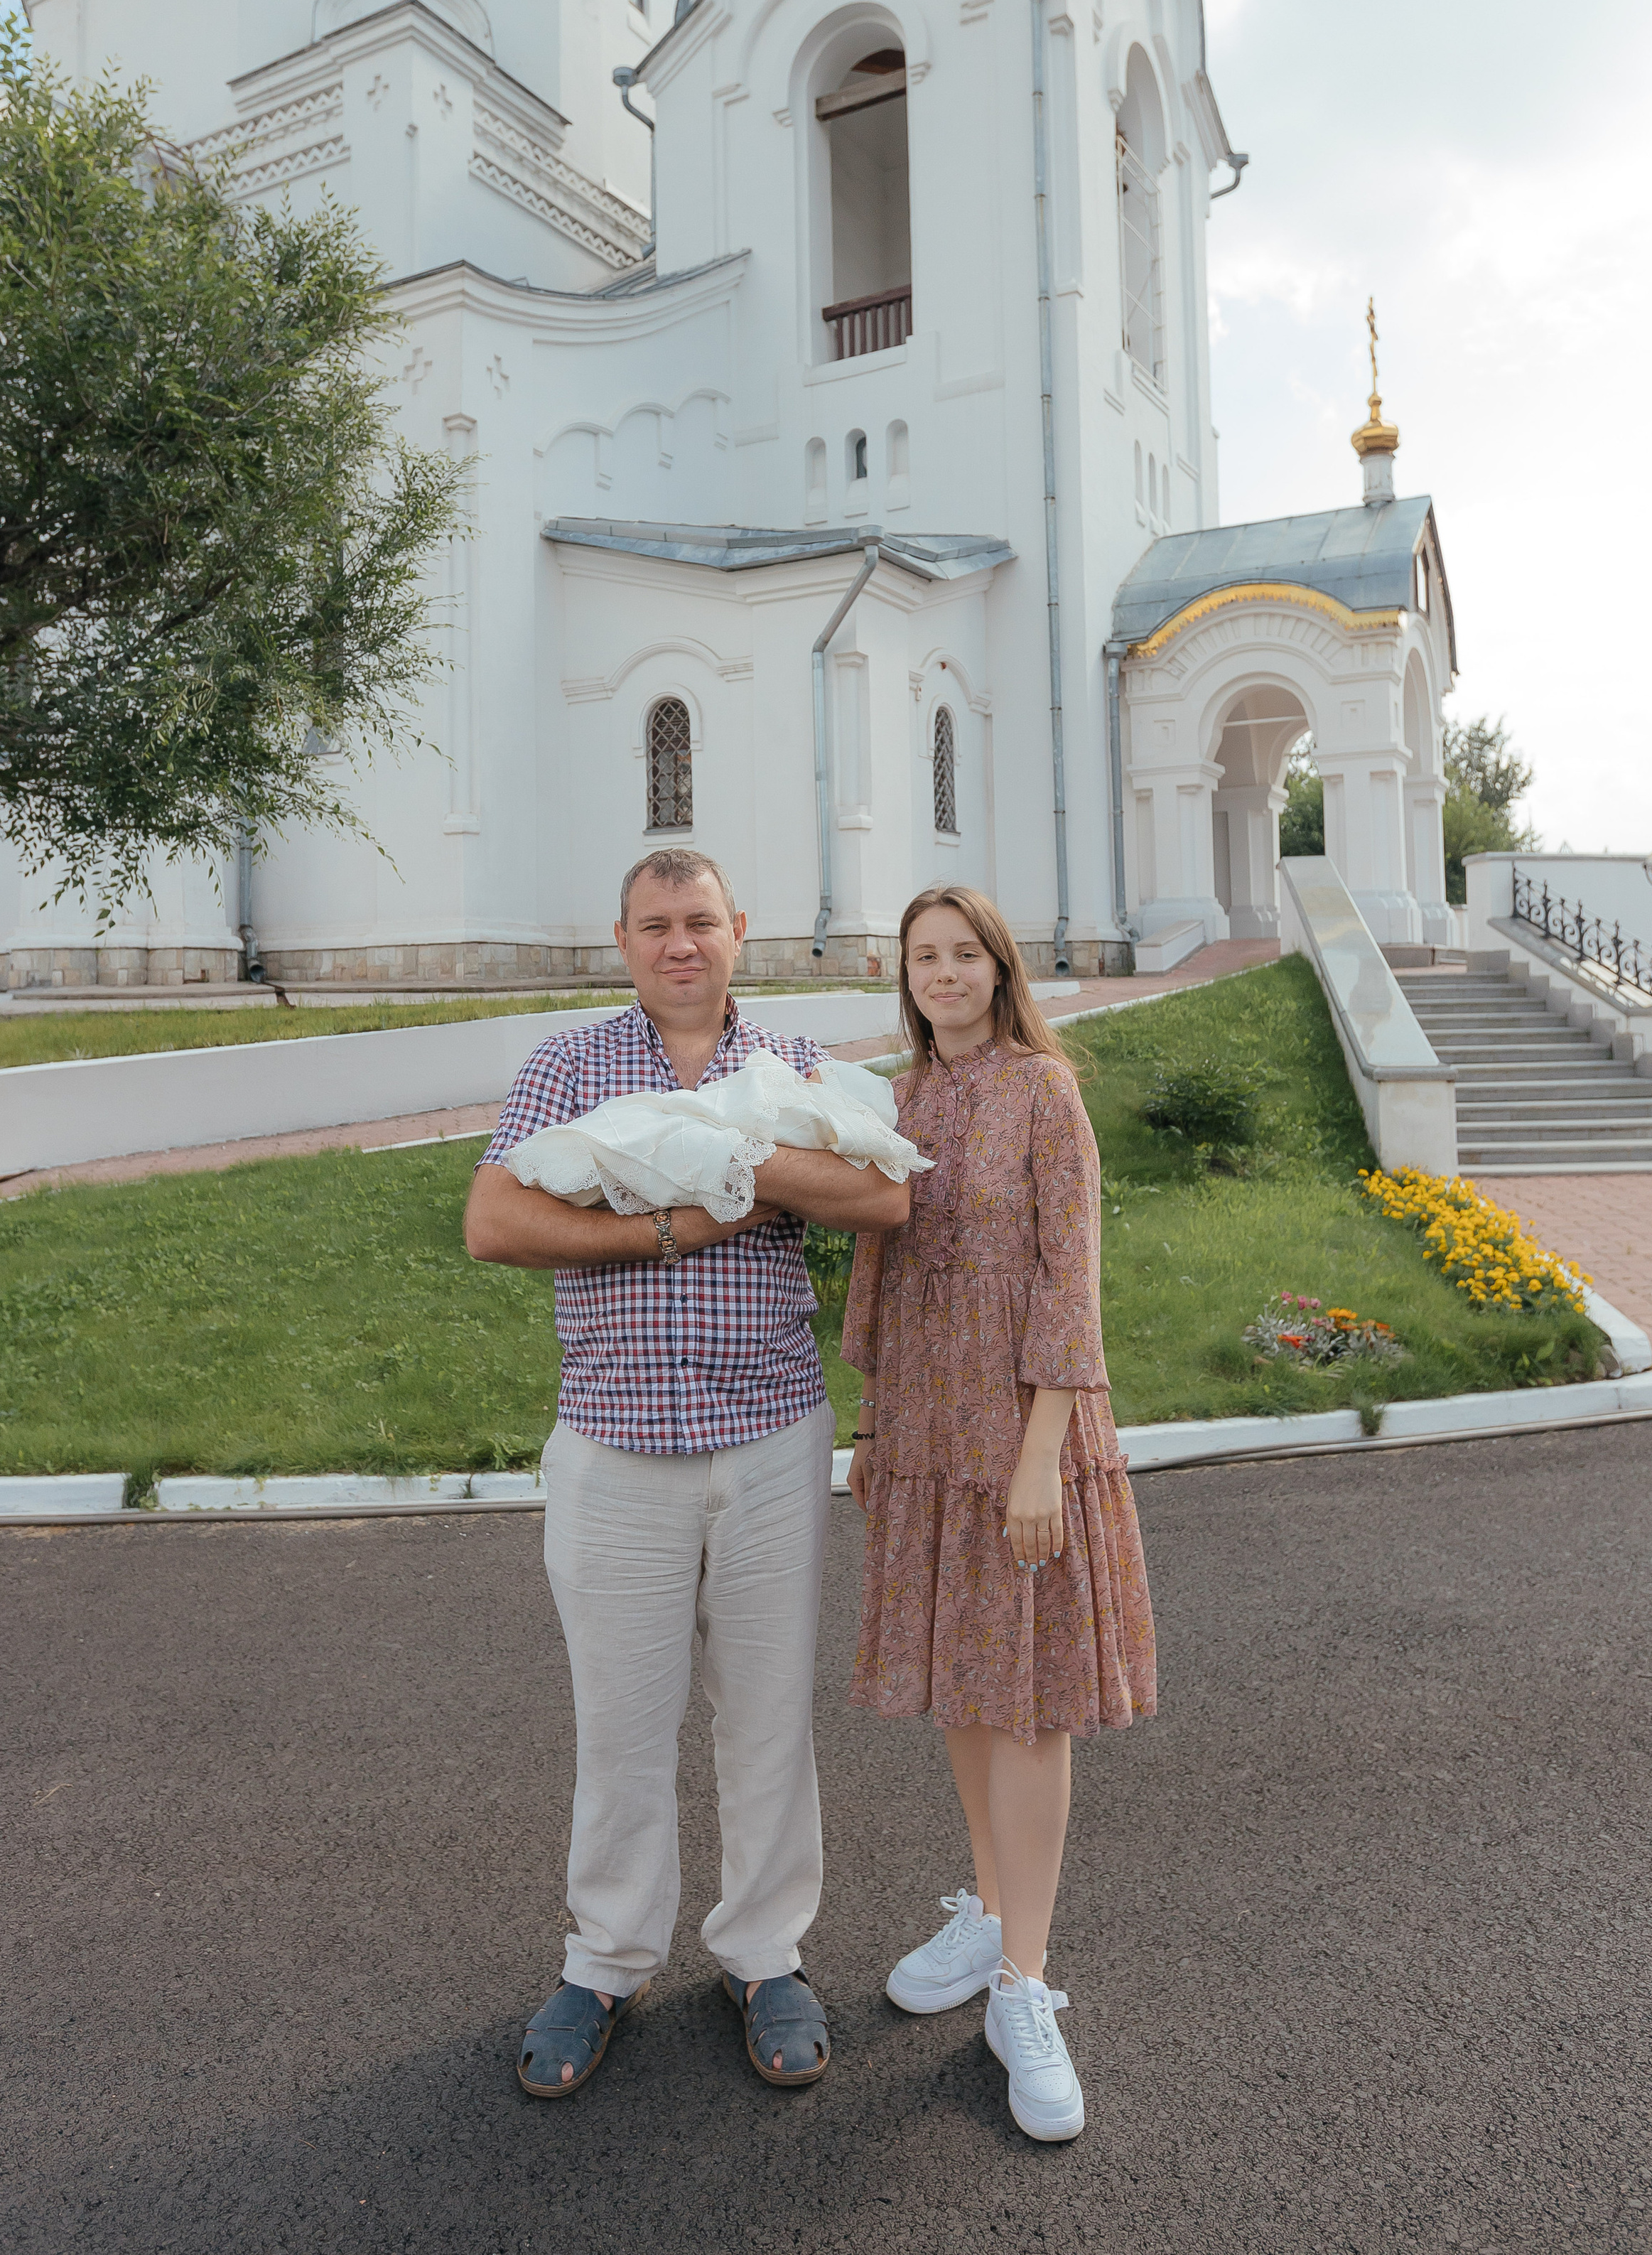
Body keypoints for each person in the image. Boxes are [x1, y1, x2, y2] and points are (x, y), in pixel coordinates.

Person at [466, 847, 910, 2099]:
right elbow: (494, 1222)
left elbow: (883, 1196)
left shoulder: (791, 1066)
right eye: (656, 924)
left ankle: (765, 1957)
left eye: (700, 922)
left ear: (738, 931)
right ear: (623, 940)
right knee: (621, 1724)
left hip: (769, 1438)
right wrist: (678, 1222)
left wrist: (737, 1151)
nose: (680, 944)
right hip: (614, 1448)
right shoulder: (568, 1067)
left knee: (767, 1718)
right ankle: (605, 1962)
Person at [843, 886, 1156, 2143]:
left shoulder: (1044, 1092)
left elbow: (1071, 1280)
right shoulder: (901, 1099)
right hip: (926, 1429)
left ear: (1000, 968)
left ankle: (1025, 1984)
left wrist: (1040, 1459)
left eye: (964, 953)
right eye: (924, 957)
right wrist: (875, 1423)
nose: (944, 974)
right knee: (968, 1683)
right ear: (906, 977)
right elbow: (880, 1271)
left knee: (1028, 1699)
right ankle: (987, 1914)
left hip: (1026, 1428)